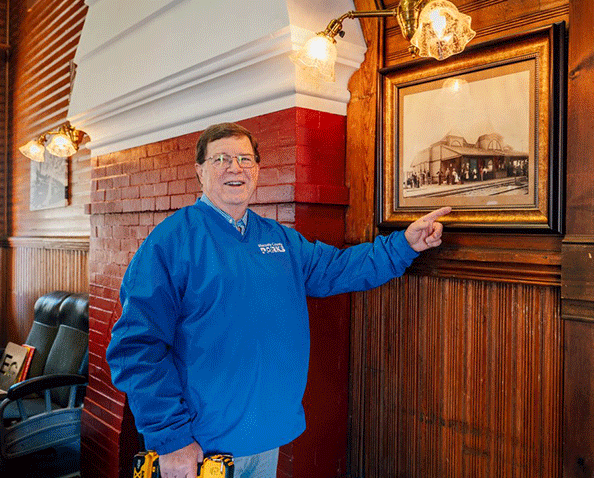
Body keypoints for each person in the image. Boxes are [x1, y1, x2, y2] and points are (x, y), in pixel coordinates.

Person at [105, 122, 450, 478]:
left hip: (265, 438)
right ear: (200, 171)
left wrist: (404, 244)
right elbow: (136, 347)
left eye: (244, 159)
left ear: (256, 170)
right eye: (220, 159)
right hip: (198, 448)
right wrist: (171, 438)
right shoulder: (170, 241)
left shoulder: (280, 239)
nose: (234, 168)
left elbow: (339, 268)